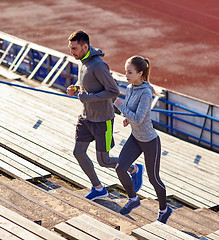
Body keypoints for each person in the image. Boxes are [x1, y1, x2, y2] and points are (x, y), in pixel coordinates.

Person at [66, 30, 144, 201]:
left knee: (104, 161)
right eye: (71, 48)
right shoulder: (83, 61)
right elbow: (89, 86)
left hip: (103, 120)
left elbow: (113, 91)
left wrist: (87, 97)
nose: (72, 52)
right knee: (78, 152)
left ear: (85, 46)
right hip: (86, 117)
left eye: (74, 48)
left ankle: (134, 169)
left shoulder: (98, 66)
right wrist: (76, 90)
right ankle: (99, 188)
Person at [113, 56, 173, 224]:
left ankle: (164, 209)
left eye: (130, 72)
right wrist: (127, 117)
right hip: (135, 137)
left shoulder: (146, 93)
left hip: (149, 141)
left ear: (140, 73)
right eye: (126, 71)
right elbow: (132, 111)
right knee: (120, 168)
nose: (126, 75)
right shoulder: (131, 87)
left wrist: (118, 105)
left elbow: (139, 118)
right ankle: (133, 199)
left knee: (154, 179)